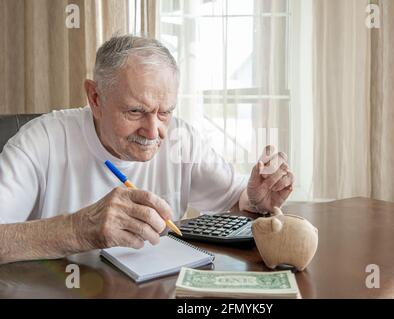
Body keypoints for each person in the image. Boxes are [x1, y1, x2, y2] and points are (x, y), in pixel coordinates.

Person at [0, 35, 294, 264]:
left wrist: (256, 200)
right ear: (95, 98)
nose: (153, 132)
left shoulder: (181, 139)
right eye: (135, 111)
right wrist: (78, 230)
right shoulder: (42, 140)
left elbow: (235, 200)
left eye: (164, 112)